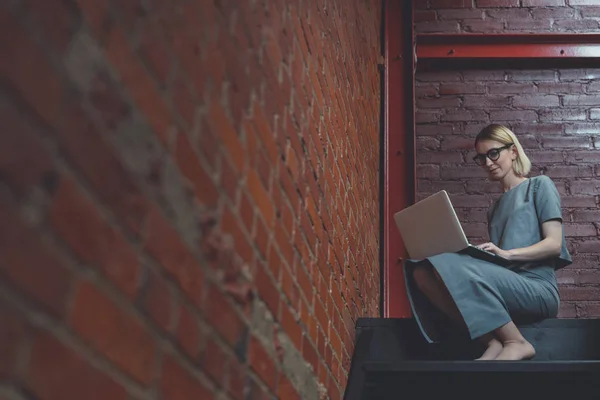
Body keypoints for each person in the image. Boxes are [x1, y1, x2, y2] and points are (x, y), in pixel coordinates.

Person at [404, 124, 572, 361]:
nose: (488, 163)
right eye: (481, 158)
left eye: (493, 153)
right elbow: (498, 267)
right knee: (421, 270)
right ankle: (490, 341)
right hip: (506, 286)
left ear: (513, 151)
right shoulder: (493, 209)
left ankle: (516, 342)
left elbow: (554, 244)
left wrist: (505, 254)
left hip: (537, 288)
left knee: (456, 264)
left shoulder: (539, 186)